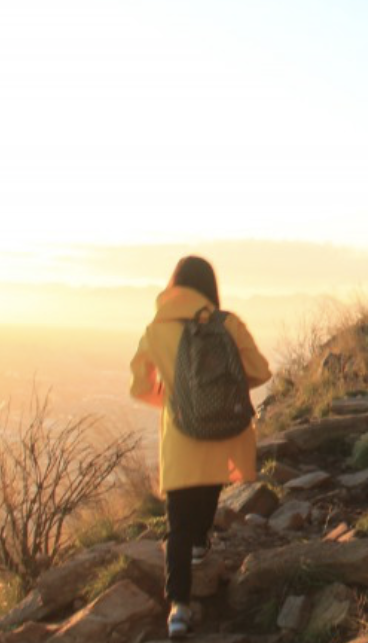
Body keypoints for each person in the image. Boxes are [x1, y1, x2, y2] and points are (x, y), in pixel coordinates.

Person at [130, 255, 271, 639]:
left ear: (174, 285)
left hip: (181, 438)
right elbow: (260, 370)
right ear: (210, 287)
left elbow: (139, 383)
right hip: (224, 433)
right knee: (208, 494)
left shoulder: (156, 329)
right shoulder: (229, 324)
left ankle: (178, 607)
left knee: (177, 523)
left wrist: (176, 399)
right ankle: (199, 543)